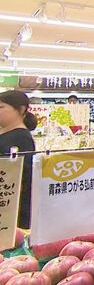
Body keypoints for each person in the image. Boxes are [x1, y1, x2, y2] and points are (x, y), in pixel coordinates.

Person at [0, 91, 37, 229]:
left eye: (1, 107)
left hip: (11, 211)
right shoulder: (7, 134)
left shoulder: (20, 138)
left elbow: (20, 178)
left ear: (20, 110)